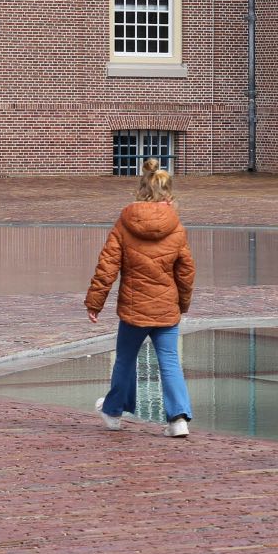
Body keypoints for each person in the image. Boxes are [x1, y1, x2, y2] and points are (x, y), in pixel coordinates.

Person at [86, 158, 197, 437]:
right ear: (168, 193)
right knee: (169, 361)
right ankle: (178, 419)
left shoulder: (125, 224)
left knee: (125, 359)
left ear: (141, 189)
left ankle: (113, 413)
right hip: (166, 308)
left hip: (134, 309)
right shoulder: (177, 228)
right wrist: (182, 303)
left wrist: (95, 302)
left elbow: (107, 266)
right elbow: (186, 272)